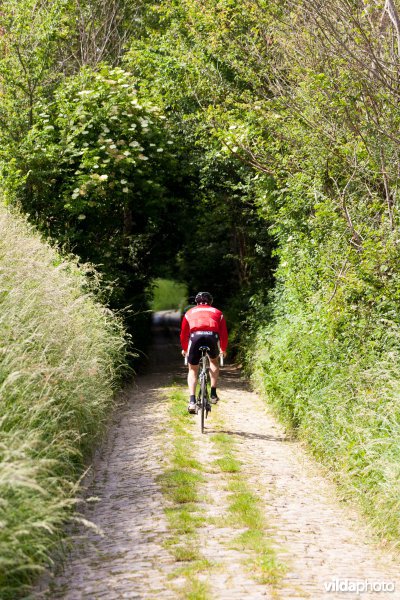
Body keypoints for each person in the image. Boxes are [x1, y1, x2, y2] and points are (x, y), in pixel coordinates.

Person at [180, 291, 228, 413]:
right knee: (213, 361)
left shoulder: (189, 312)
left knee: (192, 369)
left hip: (195, 337)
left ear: (196, 303)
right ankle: (213, 394)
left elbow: (184, 334)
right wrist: (223, 349)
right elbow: (223, 334)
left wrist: (185, 349)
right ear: (210, 302)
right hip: (212, 336)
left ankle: (192, 401)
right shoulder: (218, 312)